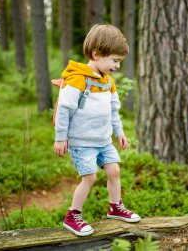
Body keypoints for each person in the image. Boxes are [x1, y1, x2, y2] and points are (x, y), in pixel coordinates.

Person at [53, 24, 140, 237]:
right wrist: (60, 138)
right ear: (96, 53)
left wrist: (119, 133)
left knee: (114, 171)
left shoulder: (108, 82)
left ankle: (115, 207)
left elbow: (113, 110)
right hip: (81, 141)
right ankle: (72, 216)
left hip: (103, 140)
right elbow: (64, 109)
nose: (117, 66)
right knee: (89, 177)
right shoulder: (77, 79)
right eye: (115, 60)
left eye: (119, 61)